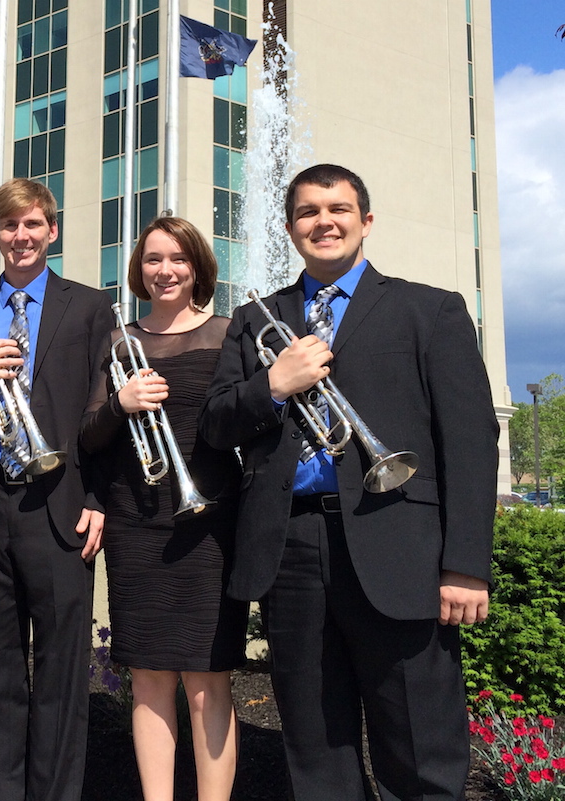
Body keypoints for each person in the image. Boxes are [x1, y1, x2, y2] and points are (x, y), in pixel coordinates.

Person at [199, 164, 499, 801]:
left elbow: (471, 442)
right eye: (308, 212)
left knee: (421, 747)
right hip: (291, 550)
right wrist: (273, 386)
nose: (323, 222)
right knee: (315, 747)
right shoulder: (256, 319)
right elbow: (216, 423)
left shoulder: (430, 309)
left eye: (338, 209)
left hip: (400, 546)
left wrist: (467, 564)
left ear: (366, 221)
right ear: (290, 229)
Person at [0, 178, 114, 801]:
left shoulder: (91, 308)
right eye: (9, 227)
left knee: (64, 672)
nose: (22, 237)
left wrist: (97, 501)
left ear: (52, 231)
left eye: (33, 224)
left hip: (62, 505)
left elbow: (106, 414)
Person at [79, 217, 247, 801]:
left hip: (212, 526)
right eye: (152, 260)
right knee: (148, 676)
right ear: (138, 269)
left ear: (197, 266)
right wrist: (120, 403)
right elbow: (88, 436)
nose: (165, 271)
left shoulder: (229, 333)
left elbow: (248, 421)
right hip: (138, 525)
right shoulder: (120, 341)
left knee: (207, 679)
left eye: (177, 259)